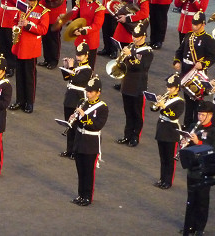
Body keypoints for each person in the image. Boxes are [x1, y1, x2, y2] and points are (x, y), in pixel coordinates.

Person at [8, 0, 49, 114]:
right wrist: (16, 26)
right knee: (19, 75)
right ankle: (20, 100)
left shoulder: (43, 12)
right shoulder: (22, 8)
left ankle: (29, 102)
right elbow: (14, 21)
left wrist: (28, 24)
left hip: (31, 49)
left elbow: (43, 30)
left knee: (29, 77)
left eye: (31, 0)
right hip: (19, 46)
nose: (29, 1)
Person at [181, 101, 215, 236]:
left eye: (203, 115)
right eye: (199, 114)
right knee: (190, 200)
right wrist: (184, 143)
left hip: (205, 171)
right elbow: (188, 149)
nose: (200, 117)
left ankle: (199, 228)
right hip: (192, 169)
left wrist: (199, 143)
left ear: (210, 115)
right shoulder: (194, 127)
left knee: (202, 201)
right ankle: (189, 226)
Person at [174, 12, 215, 128]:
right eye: (193, 24)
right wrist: (177, 61)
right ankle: (187, 123)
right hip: (186, 72)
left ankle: (194, 125)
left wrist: (202, 64)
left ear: (203, 24)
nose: (193, 26)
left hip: (197, 74)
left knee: (197, 101)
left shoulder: (208, 39)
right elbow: (180, 50)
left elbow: (212, 57)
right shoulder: (188, 35)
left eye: (196, 24)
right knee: (188, 100)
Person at [71, 75, 108, 207]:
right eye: (87, 90)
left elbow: (97, 125)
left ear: (98, 92)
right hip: (80, 140)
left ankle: (87, 196)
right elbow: (80, 123)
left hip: (91, 143)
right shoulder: (84, 103)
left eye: (91, 91)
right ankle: (81, 194)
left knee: (88, 171)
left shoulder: (102, 108)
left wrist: (83, 117)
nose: (88, 93)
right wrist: (74, 119)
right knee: (80, 170)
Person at [115, 22, 154, 147]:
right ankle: (127, 135)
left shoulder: (148, 52)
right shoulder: (131, 47)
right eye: (133, 36)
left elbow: (141, 67)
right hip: (127, 84)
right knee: (128, 112)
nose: (134, 38)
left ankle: (135, 136)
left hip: (138, 86)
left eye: (137, 37)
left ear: (144, 36)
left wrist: (130, 55)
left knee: (137, 113)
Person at [56, 0, 105, 70]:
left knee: (89, 67)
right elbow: (74, 12)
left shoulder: (99, 8)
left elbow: (97, 25)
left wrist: (83, 30)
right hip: (80, 38)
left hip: (90, 39)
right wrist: (65, 17)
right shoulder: (80, 2)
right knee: (79, 64)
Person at [150, 73, 184, 190]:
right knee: (162, 157)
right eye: (168, 87)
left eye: (171, 87)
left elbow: (174, 116)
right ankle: (162, 179)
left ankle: (168, 181)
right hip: (162, 130)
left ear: (177, 88)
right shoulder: (166, 97)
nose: (168, 89)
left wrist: (164, 106)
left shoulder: (180, 102)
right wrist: (156, 102)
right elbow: (153, 109)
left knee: (169, 159)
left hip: (171, 131)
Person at [59, 42, 92, 159]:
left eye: (81, 55)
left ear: (87, 55)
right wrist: (66, 67)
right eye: (77, 54)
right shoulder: (77, 67)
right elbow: (67, 78)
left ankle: (76, 152)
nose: (78, 57)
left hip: (78, 99)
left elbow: (77, 79)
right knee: (69, 125)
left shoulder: (87, 70)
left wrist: (71, 67)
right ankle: (69, 150)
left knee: (77, 127)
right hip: (69, 98)